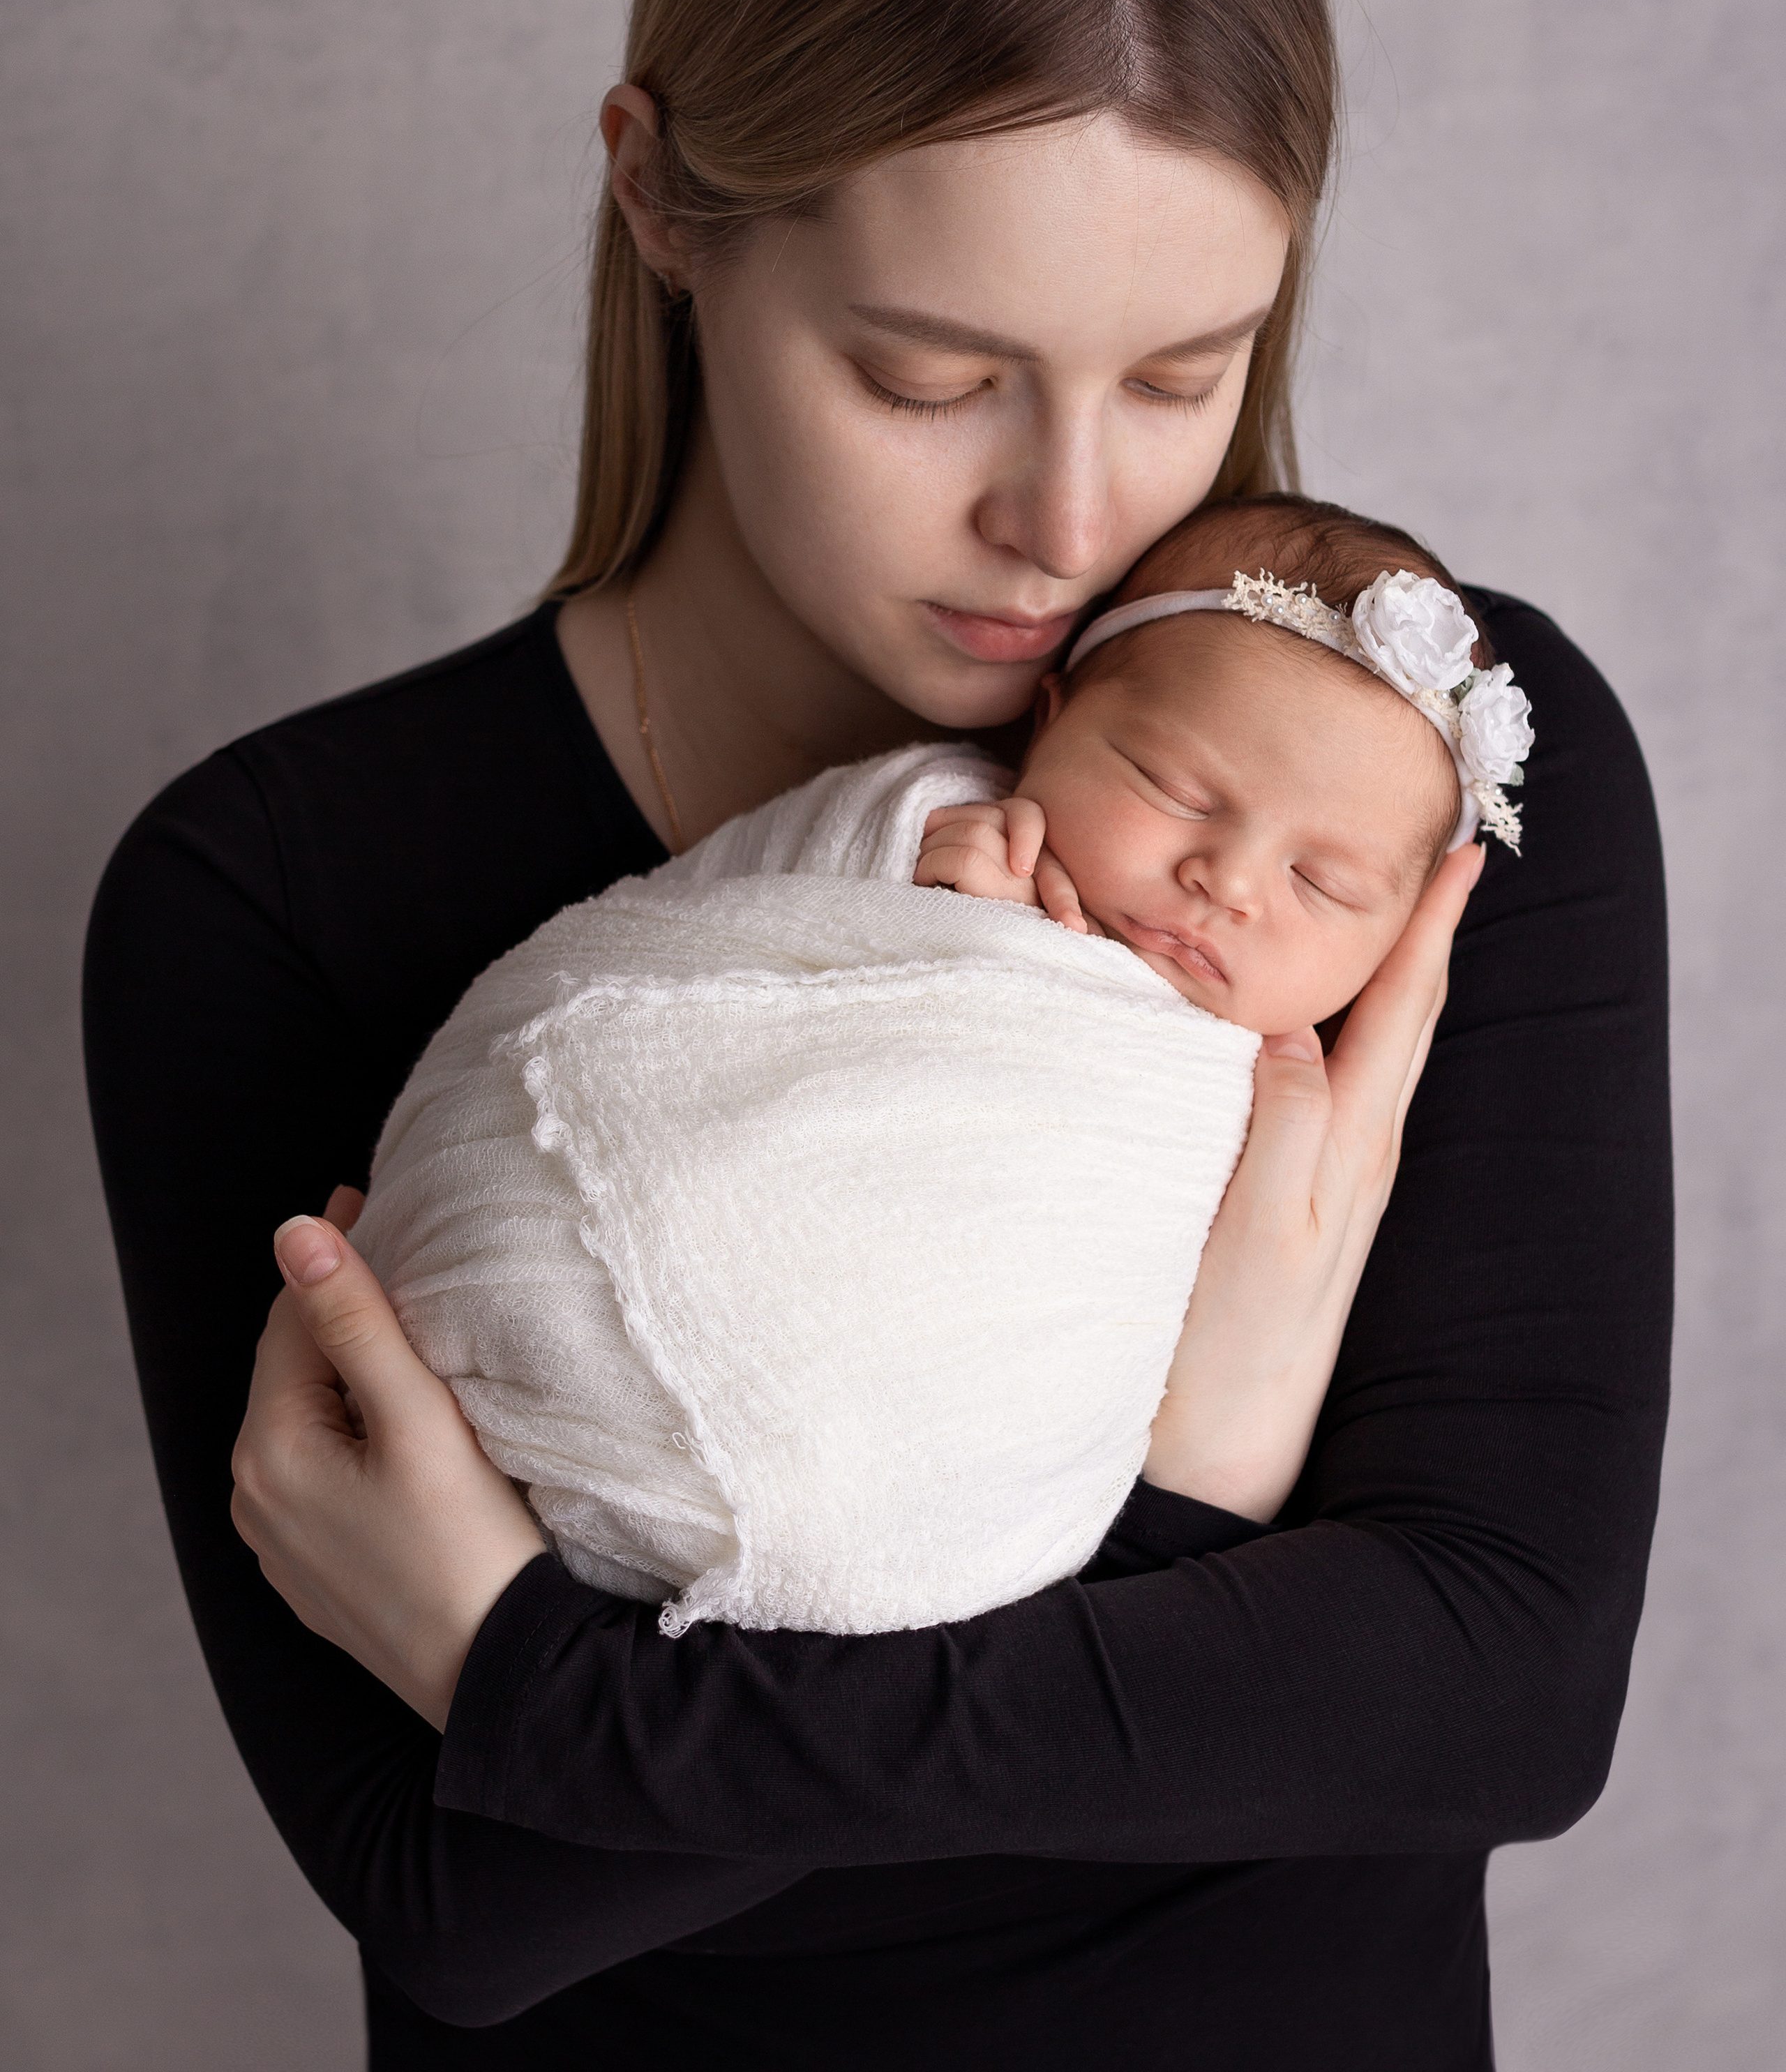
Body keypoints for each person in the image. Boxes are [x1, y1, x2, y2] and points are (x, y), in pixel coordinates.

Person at [83, 0, 1670, 2069]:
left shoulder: (1393, 790)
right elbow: (454, 1905)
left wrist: (560, 1699)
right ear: (667, 208)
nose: (1065, 516)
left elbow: (1495, 1687)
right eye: (930, 375)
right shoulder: (271, 895)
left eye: (1182, 374)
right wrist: (1203, 1518)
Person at [350, 495, 1528, 1647]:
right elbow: (747, 916)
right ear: (1050, 720)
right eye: (1176, 791)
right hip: (556, 1256)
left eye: (1324, 886)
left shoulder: (1285, 1103)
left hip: (872, 1489)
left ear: (1403, 935)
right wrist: (921, 890)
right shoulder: (944, 818)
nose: (1227, 879)